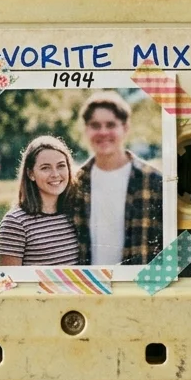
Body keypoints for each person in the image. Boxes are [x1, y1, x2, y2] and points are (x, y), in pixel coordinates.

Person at [70, 91, 164, 265]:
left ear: (125, 128)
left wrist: (152, 287)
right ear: (86, 130)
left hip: (137, 287)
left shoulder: (154, 181)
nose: (103, 132)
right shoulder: (75, 182)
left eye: (111, 125)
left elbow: (179, 240)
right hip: (87, 287)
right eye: (95, 125)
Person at [0, 136, 81, 266]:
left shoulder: (75, 214)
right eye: (45, 168)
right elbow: (9, 281)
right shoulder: (15, 222)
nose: (55, 174)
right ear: (31, 174)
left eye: (61, 166)